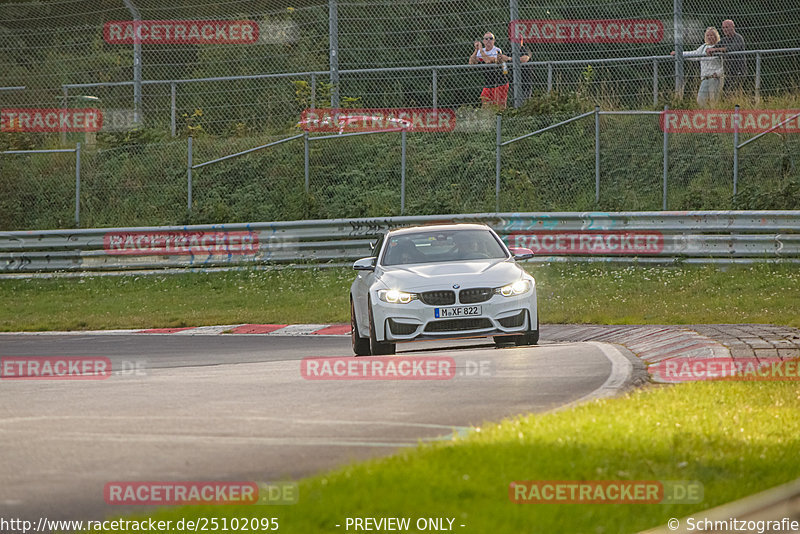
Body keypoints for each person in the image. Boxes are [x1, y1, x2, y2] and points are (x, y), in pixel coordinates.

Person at [671, 27, 724, 107]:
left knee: (714, 102)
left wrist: (718, 73)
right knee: (700, 100)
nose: (710, 37)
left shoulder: (719, 47)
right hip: (705, 78)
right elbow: (694, 54)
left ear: (716, 36)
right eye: (708, 35)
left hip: (715, 78)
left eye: (712, 35)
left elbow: (725, 65)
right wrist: (679, 54)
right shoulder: (703, 47)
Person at [469, 32, 510, 109]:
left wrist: (480, 50)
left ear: (494, 41)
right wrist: (476, 49)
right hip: (488, 83)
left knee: (500, 107)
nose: (488, 40)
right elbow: (471, 62)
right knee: (485, 105)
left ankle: (502, 120)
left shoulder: (497, 50)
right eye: (486, 39)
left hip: (500, 83)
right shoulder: (481, 51)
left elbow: (488, 61)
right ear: (483, 41)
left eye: (491, 38)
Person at [707, 19, 746, 94]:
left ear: (733, 27)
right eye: (723, 28)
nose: (725, 29)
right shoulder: (724, 40)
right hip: (728, 72)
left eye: (727, 27)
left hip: (738, 71)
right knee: (726, 93)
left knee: (734, 92)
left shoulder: (738, 38)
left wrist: (715, 50)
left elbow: (731, 49)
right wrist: (709, 49)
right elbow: (715, 47)